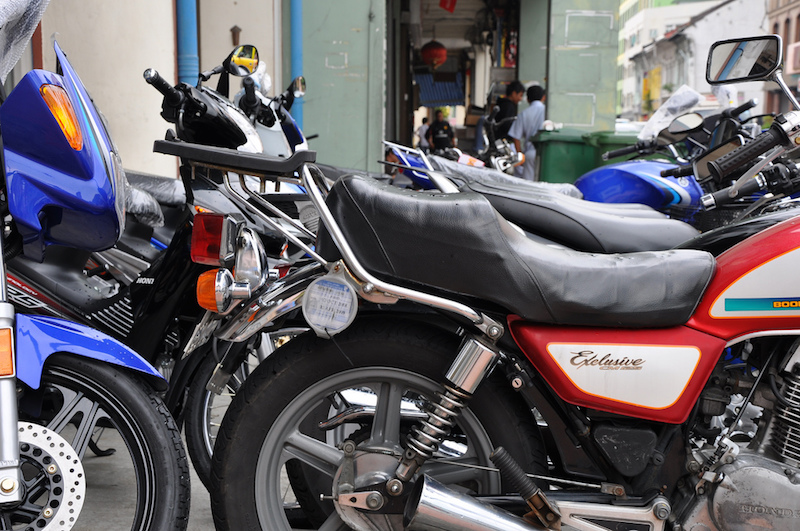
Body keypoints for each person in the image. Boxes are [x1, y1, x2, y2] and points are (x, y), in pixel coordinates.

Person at [508, 85, 546, 181]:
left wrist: (520, 155)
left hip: (529, 155)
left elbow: (516, 137)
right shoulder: (547, 111)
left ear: (528, 99)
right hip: (546, 153)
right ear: (543, 97)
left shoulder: (523, 114)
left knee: (529, 185)